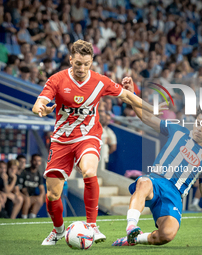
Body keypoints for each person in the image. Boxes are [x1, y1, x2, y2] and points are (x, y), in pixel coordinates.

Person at [32, 40, 157, 245]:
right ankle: (58, 230)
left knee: (90, 171)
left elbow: (127, 95)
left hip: (88, 136)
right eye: (78, 63)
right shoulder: (57, 79)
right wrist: (41, 108)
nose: (82, 68)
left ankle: (92, 225)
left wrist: (152, 109)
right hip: (61, 140)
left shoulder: (100, 81)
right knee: (53, 194)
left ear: (92, 62)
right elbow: (40, 101)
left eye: (86, 64)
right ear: (71, 59)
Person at [112, 78, 202, 247]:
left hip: (174, 197)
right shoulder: (177, 130)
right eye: (198, 123)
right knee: (143, 182)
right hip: (156, 182)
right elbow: (146, 117)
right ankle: (131, 227)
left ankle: (133, 239)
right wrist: (132, 94)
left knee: (166, 235)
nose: (199, 128)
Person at [20, 154, 45, 219]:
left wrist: (41, 196)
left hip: (32, 196)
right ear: (31, 161)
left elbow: (42, 189)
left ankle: (32, 217)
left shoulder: (39, 174)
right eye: (35, 160)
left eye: (38, 161)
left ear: (40, 162)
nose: (37, 163)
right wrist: (26, 196)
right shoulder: (25, 171)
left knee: (42, 198)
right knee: (27, 199)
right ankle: (24, 218)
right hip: (23, 195)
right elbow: (23, 188)